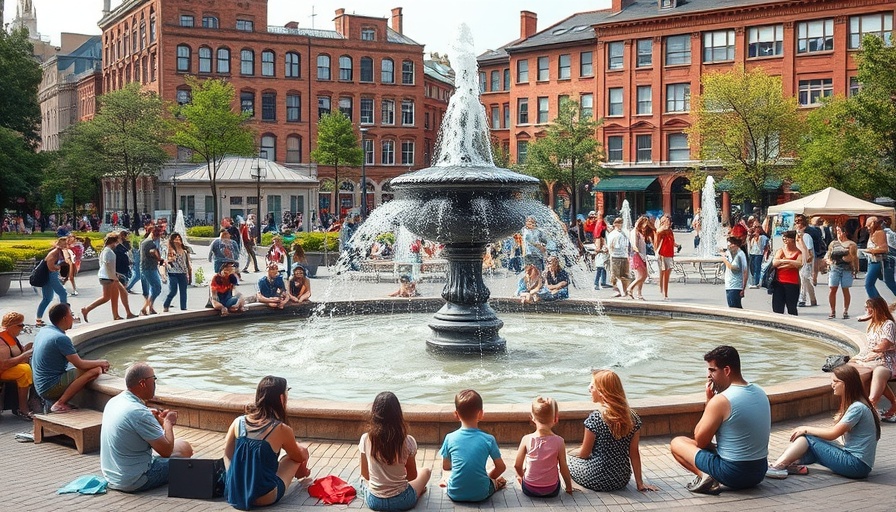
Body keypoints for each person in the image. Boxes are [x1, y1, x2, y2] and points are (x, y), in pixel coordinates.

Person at [670, 345, 770, 494]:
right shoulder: (760, 391)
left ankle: (705, 476)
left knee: (677, 443)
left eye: (712, 370)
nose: (708, 375)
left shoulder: (721, 400)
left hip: (733, 474)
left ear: (727, 370)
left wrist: (709, 400)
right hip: (759, 472)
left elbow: (700, 441)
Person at [766, 364, 880, 480]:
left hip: (856, 465)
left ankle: (777, 467)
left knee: (808, 438)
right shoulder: (858, 405)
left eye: (836, 381)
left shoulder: (857, 408)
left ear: (848, 384)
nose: (832, 384)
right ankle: (789, 465)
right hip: (859, 465)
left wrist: (806, 429)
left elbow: (832, 434)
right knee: (812, 443)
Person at [100, 362, 194, 492]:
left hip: (112, 477)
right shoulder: (139, 412)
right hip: (136, 480)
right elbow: (166, 451)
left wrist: (155, 420)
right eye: (154, 379)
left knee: (181, 446)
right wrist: (168, 423)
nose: (155, 383)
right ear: (143, 383)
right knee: (186, 449)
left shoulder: (114, 401)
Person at [224, 376, 311, 509]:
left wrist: (237, 477)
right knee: (299, 454)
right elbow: (298, 457)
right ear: (281, 398)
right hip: (265, 497)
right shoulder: (281, 429)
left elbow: (228, 455)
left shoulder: (238, 422)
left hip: (235, 493)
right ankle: (304, 477)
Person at [568, 370, 656, 492]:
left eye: (592, 386)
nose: (589, 389)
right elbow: (634, 453)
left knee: (568, 460)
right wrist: (640, 483)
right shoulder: (633, 418)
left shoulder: (596, 418)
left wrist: (570, 453)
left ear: (602, 392)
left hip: (596, 478)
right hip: (620, 479)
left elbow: (584, 454)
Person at [358, 392, 432, 510]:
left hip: (375, 501)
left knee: (361, 481)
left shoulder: (366, 439)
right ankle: (418, 491)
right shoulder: (407, 441)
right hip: (403, 501)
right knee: (426, 471)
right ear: (398, 415)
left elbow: (365, 475)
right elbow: (412, 476)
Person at [32, 303, 110, 413]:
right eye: (71, 315)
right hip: (49, 387)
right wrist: (101, 362)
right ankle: (60, 403)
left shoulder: (45, 330)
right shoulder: (60, 338)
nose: (73, 318)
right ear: (64, 318)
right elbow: (80, 364)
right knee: (95, 370)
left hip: (40, 384)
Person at [439, 389, 507, 503]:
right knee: (493, 478)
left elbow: (446, 466)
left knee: (449, 475)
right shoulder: (488, 439)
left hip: (455, 493)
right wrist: (489, 476)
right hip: (481, 494)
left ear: (456, 414)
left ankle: (448, 481)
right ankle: (495, 484)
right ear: (481, 414)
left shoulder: (449, 438)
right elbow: (501, 467)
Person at [513, 396, 573, 497]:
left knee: (521, 474)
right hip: (552, 490)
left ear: (532, 417)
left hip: (529, 489)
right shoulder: (559, 441)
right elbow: (563, 468)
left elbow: (517, 466)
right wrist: (569, 488)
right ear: (556, 419)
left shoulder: (526, 439)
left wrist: (522, 477)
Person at [850, 297, 896, 421]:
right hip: (873, 360)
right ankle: (872, 407)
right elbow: (870, 346)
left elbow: (885, 344)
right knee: (852, 367)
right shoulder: (872, 325)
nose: (865, 310)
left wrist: (872, 352)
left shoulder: (888, 324)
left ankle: (869, 409)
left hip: (886, 362)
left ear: (874, 309)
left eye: (867, 308)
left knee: (876, 374)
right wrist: (860, 356)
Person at [82, 233, 134, 322]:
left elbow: (106, 265)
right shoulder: (108, 252)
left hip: (108, 276)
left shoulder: (106, 250)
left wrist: (115, 274)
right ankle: (87, 309)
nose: (118, 243)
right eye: (117, 241)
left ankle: (117, 315)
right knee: (108, 297)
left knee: (114, 296)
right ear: (114, 242)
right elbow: (107, 265)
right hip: (108, 277)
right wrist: (114, 277)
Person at [0, 312, 37, 420]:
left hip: (7, 368)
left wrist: (27, 349)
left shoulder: (11, 336)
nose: (22, 328)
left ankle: (32, 401)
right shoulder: (2, 340)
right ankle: (23, 408)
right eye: (20, 326)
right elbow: (4, 364)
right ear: (11, 326)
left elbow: (17, 353)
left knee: (33, 366)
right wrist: (24, 355)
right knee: (24, 371)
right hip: (2, 369)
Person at [826, 224, 859, 319]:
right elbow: (828, 255)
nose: (838, 233)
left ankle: (845, 310)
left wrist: (856, 268)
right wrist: (828, 262)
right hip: (834, 268)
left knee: (845, 289)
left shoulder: (851, 244)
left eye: (839, 231)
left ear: (844, 232)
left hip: (846, 269)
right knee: (832, 289)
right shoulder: (833, 243)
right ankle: (832, 310)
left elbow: (854, 257)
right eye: (837, 231)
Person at [35, 237, 69, 327]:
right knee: (63, 293)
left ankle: (38, 320)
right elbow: (51, 267)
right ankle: (64, 315)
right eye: (65, 244)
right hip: (51, 275)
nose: (66, 245)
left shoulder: (58, 252)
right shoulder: (55, 253)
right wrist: (59, 267)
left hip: (49, 276)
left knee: (47, 299)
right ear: (60, 244)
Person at [862, 216, 896, 301]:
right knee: (889, 282)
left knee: (869, 284)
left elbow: (884, 248)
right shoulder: (873, 233)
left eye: (868, 225)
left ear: (873, 224)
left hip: (877, 261)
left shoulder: (879, 233)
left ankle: (877, 305)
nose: (867, 228)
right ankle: (879, 305)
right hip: (873, 261)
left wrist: (871, 251)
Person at [771, 230, 804, 316]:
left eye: (787, 237)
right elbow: (775, 263)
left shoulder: (798, 252)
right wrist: (789, 261)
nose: (784, 239)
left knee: (792, 308)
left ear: (793, 239)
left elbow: (799, 264)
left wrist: (782, 262)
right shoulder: (780, 251)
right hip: (779, 282)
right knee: (777, 308)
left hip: (792, 283)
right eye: (784, 237)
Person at [163, 232, 192, 312]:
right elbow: (165, 261)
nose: (178, 240)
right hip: (173, 273)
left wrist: (189, 272)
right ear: (172, 240)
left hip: (182, 273)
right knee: (173, 290)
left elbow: (187, 262)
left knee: (183, 291)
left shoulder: (185, 250)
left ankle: (183, 307)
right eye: (176, 239)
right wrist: (170, 259)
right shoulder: (170, 250)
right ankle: (166, 304)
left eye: (179, 239)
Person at [139, 226, 164, 316]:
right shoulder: (150, 243)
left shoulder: (144, 242)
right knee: (157, 287)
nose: (158, 238)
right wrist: (159, 259)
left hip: (146, 268)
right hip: (149, 268)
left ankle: (150, 308)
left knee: (153, 288)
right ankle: (144, 308)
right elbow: (152, 252)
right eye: (158, 236)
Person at [794, 215, 817, 307]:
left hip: (805, 260)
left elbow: (809, 250)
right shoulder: (794, 235)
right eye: (796, 221)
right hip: (796, 259)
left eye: (799, 221)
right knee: (806, 280)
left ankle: (802, 299)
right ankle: (813, 298)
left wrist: (801, 238)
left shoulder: (806, 236)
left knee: (803, 278)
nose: (797, 223)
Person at [627, 216, 652, 301]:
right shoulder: (635, 232)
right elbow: (634, 245)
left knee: (641, 276)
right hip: (636, 255)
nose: (645, 228)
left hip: (640, 255)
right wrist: (640, 255)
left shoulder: (639, 232)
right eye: (644, 225)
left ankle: (639, 294)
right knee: (642, 276)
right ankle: (630, 288)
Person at [720, 236, 748, 309]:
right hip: (731, 285)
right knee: (734, 307)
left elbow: (734, 268)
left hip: (735, 286)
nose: (729, 246)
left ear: (736, 245)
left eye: (731, 244)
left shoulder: (739, 255)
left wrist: (725, 260)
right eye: (728, 244)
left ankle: (743, 320)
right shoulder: (734, 253)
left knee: (734, 309)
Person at [606, 217, 631, 298]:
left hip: (619, 256)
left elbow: (610, 246)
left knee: (620, 275)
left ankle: (622, 291)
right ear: (615, 224)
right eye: (618, 223)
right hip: (617, 256)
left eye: (621, 223)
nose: (620, 224)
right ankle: (621, 291)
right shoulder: (618, 234)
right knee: (618, 276)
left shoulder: (621, 234)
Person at [654, 215, 675, 301]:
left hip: (669, 254)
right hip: (663, 254)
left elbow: (672, 241)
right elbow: (657, 240)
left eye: (669, 221)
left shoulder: (670, 231)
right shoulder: (661, 231)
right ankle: (664, 294)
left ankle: (662, 290)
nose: (668, 223)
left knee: (667, 274)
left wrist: (677, 245)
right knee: (664, 274)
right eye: (666, 221)